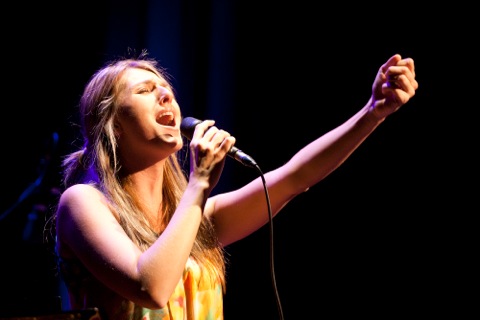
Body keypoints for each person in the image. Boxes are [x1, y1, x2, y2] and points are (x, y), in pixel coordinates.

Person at [50, 50, 417, 319]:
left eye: (167, 89)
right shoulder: (83, 202)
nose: (166, 96)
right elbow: (151, 288)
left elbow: (296, 177)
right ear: (113, 125)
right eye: (145, 91)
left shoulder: (197, 217)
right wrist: (199, 183)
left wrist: (372, 113)